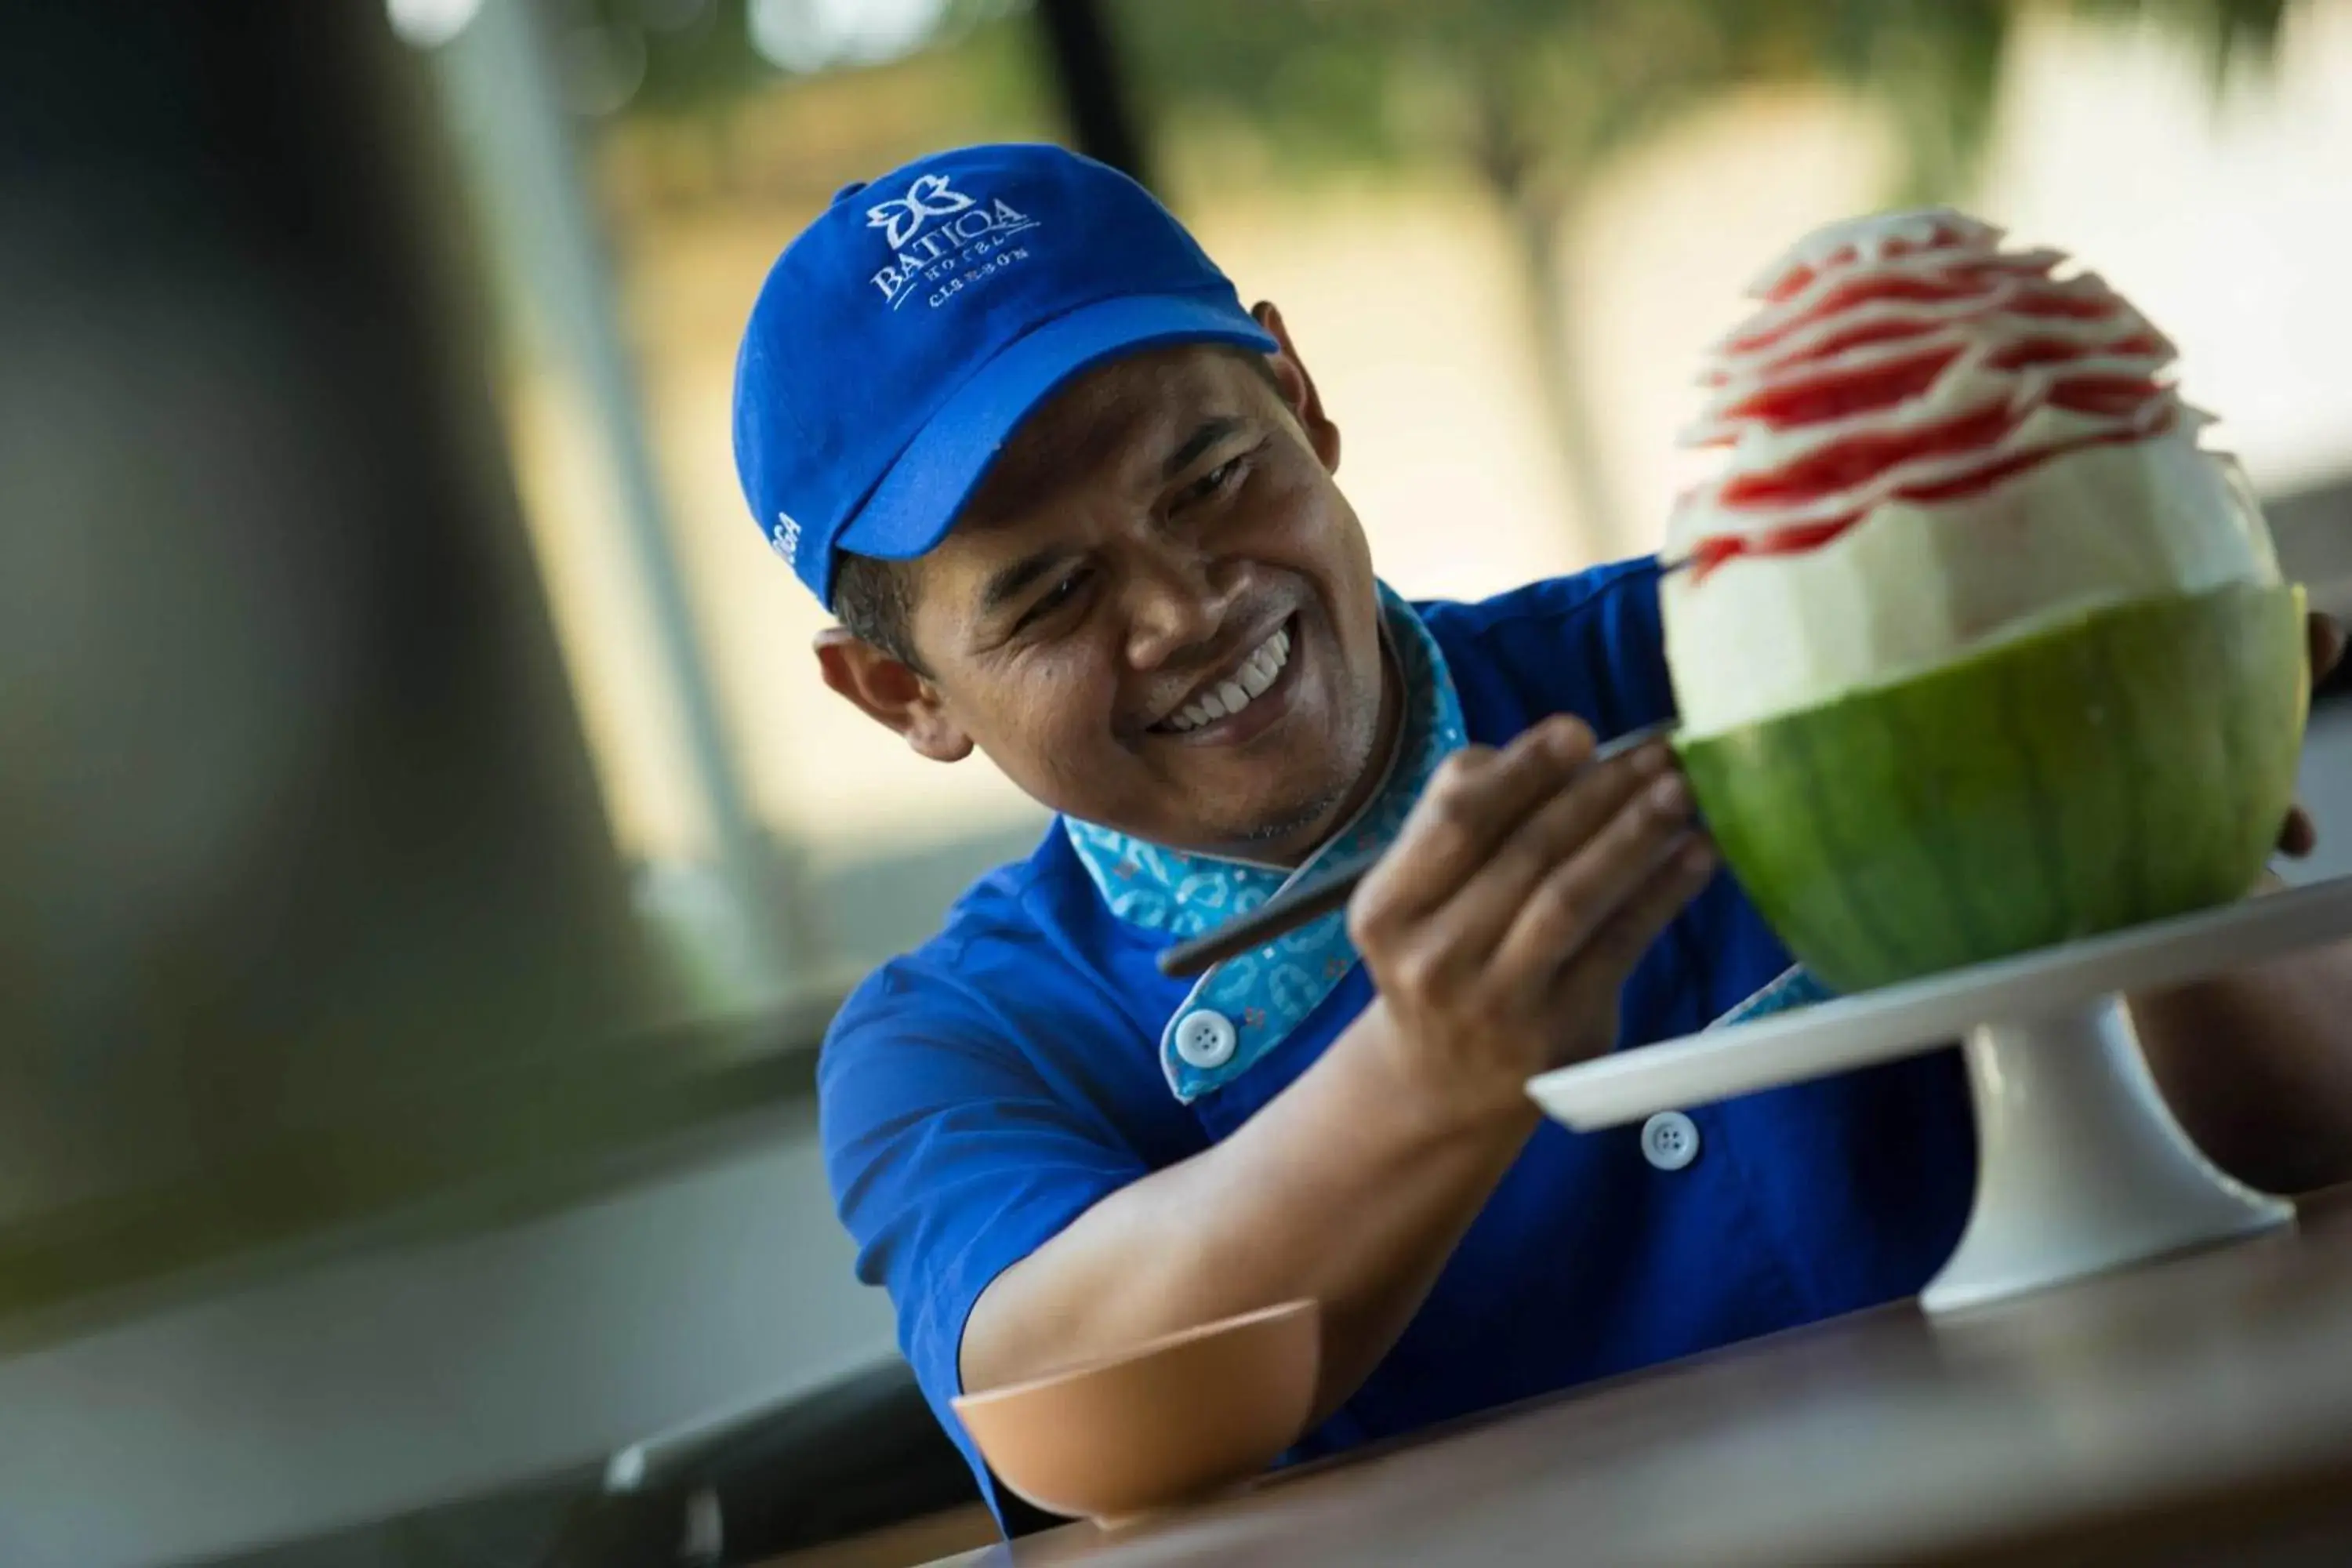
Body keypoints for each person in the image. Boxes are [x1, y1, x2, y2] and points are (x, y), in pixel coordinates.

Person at [731, 142, 2352, 1531]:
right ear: (897, 690)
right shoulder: (950, 1042)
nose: (1185, 603)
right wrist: (1433, 1074)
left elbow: (2300, 1124)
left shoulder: (1755, 645)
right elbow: (1084, 1412)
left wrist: (2151, 857)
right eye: (1052, 594)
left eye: (1215, 474)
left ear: (1304, 400)